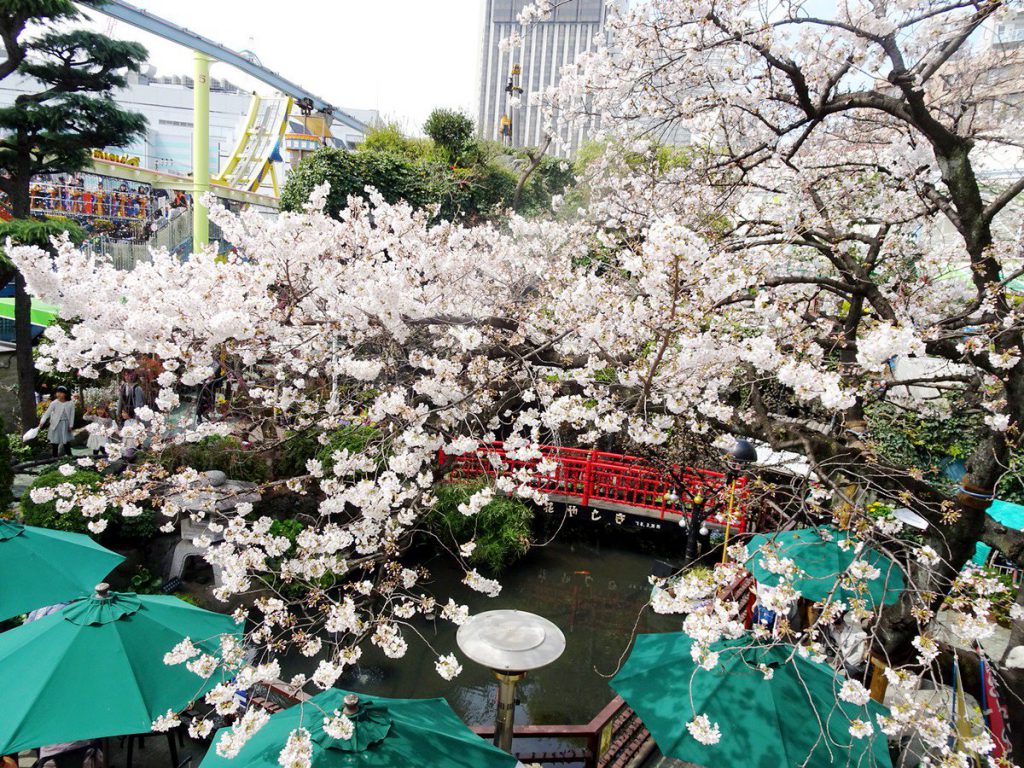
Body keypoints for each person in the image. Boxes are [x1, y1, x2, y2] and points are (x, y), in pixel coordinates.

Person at [37, 386, 75, 457]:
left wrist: (71, 425)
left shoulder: (70, 403)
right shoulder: (54, 403)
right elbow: (47, 413)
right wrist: (42, 421)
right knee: (55, 443)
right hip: (55, 425)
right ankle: (54, 459)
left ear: (65, 394)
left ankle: (70, 457)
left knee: (66, 443)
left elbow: (72, 415)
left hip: (65, 424)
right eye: (57, 392)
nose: (58, 394)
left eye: (61, 392)